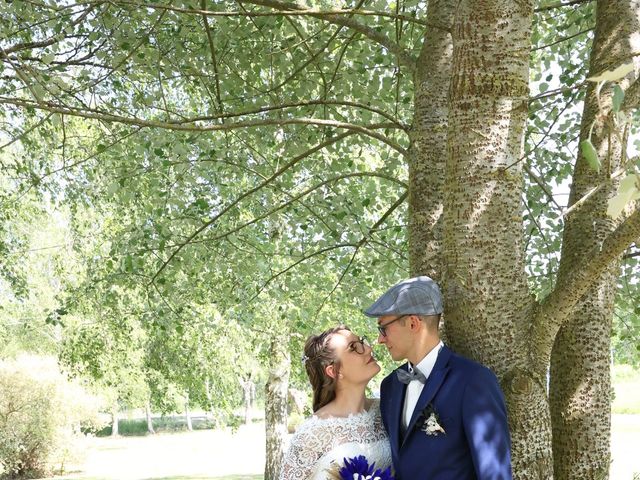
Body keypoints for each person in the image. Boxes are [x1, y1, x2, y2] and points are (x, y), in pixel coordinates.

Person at [364, 276, 512, 480]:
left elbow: (494, 474)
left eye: (383, 328)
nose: (380, 339)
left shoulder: (473, 380)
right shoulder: (390, 386)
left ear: (413, 323)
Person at [280, 325, 392, 480]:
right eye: (353, 348)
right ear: (334, 371)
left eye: (362, 341)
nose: (367, 348)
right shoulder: (311, 434)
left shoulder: (386, 410)